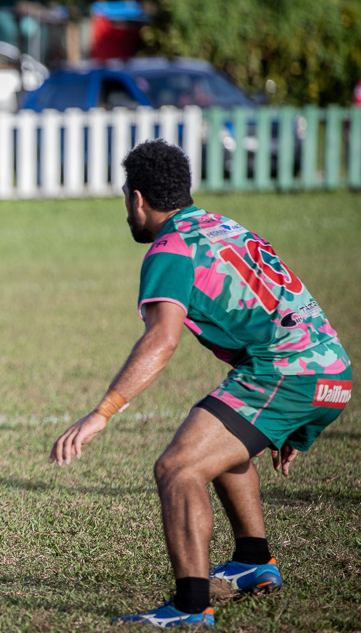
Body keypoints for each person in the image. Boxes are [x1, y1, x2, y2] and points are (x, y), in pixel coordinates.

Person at [50, 139, 352, 627]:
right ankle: (254, 562)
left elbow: (161, 341)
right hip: (328, 367)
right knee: (218, 440)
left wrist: (102, 412)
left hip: (287, 371)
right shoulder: (221, 225)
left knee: (177, 469)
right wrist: (293, 420)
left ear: (138, 198)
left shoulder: (170, 249)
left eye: (126, 197)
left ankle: (191, 608)